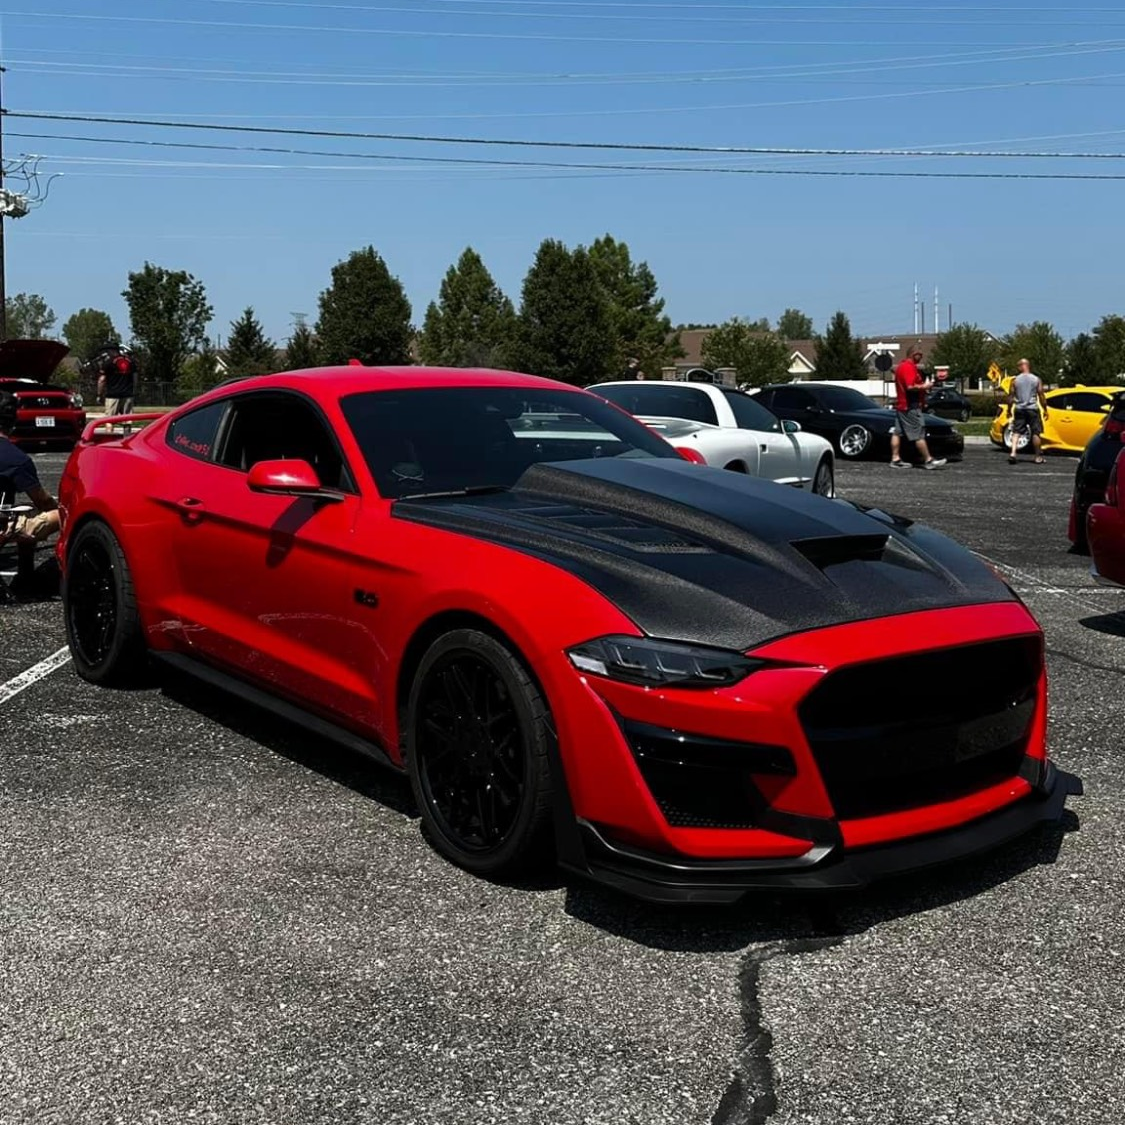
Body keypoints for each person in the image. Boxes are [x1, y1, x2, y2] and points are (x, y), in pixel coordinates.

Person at [0, 391, 61, 599]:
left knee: (24, 512)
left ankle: (26, 577)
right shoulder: (15, 458)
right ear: (13, 420)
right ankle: (28, 577)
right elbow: (43, 500)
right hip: (1, 523)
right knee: (60, 514)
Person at [890, 345, 946, 470]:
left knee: (897, 432)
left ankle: (895, 459)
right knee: (918, 434)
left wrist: (929, 384)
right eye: (920, 355)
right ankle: (928, 460)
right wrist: (924, 387)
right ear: (914, 354)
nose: (921, 357)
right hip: (910, 407)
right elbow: (910, 386)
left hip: (902, 405)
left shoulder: (901, 367)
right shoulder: (908, 368)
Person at [1007, 358, 1048, 465]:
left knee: (1016, 431)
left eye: (1018, 366)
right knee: (1036, 433)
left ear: (1022, 366)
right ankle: (1038, 457)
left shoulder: (1015, 381)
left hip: (1019, 409)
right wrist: (1045, 409)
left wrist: (1008, 409)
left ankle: (1013, 453)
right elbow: (1041, 395)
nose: (1018, 368)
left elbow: (1011, 396)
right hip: (1032, 409)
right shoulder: (1036, 379)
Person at [97, 346, 137, 417]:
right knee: (127, 420)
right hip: (127, 394)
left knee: (109, 420)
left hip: (112, 395)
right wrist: (133, 391)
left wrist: (99, 394)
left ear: (112, 351)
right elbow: (135, 378)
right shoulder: (130, 361)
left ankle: (109, 428)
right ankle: (127, 428)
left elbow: (102, 380)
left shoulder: (108, 362)